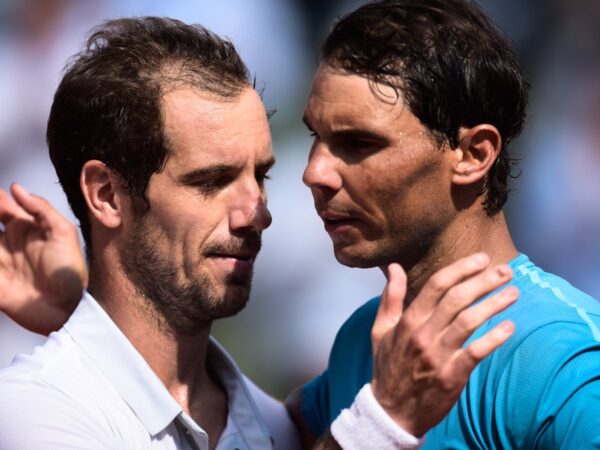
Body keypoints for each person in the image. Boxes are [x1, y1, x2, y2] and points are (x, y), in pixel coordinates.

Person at [0, 13, 519, 450]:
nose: (256, 212)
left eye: (260, 175)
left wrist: (77, 313)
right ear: (107, 195)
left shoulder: (274, 426)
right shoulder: (33, 409)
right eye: (211, 180)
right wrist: (382, 424)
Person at [287, 0, 600, 448]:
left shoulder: (564, 365)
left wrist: (379, 423)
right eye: (317, 137)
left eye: (358, 143)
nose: (315, 172)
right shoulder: (363, 336)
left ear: (473, 155)